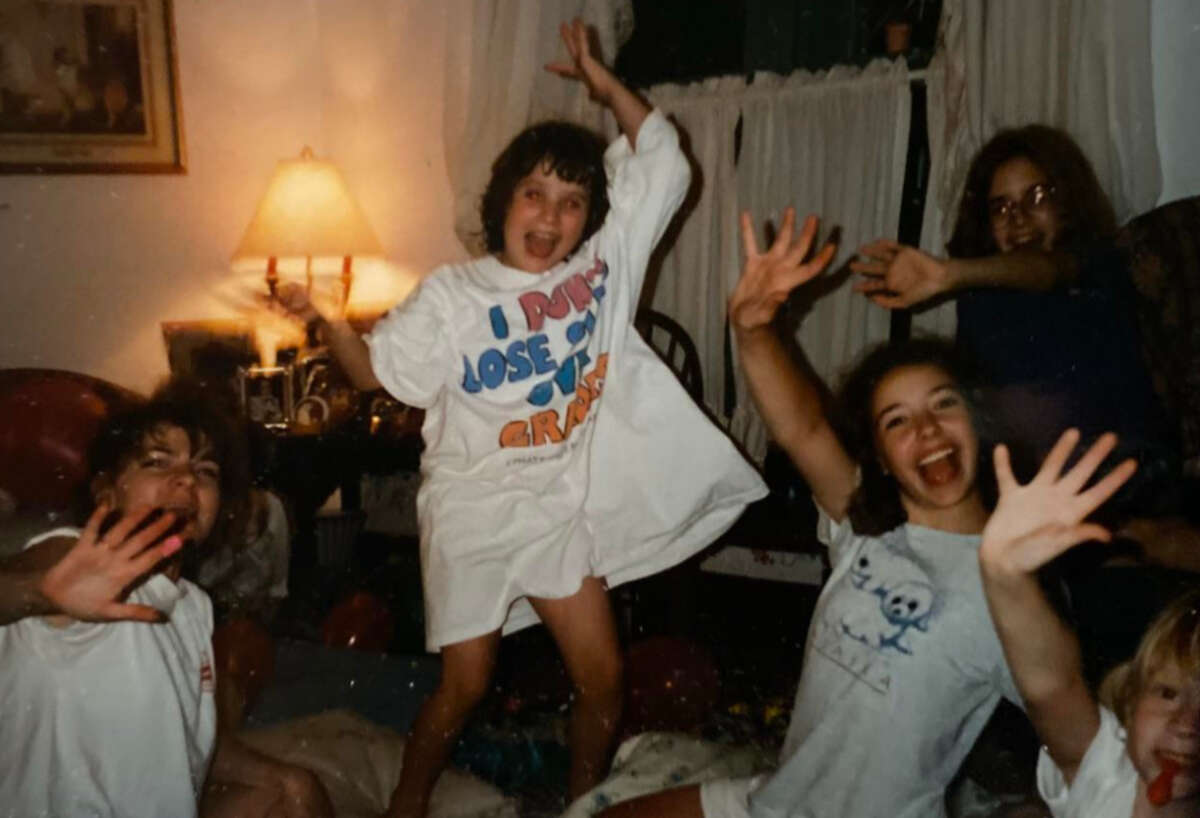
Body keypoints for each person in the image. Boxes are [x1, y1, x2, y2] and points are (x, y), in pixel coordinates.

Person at [271, 19, 765, 818]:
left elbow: (665, 160)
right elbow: (373, 373)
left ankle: (581, 805)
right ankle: (406, 805)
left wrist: (604, 85)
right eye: (534, 193)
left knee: (604, 678)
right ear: (503, 199)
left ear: (589, 218)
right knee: (465, 685)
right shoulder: (452, 294)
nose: (551, 216)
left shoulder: (601, 269)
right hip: (470, 512)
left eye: (572, 202)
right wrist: (328, 318)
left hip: (553, 509)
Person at [600, 206, 1028, 818]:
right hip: (776, 800)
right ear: (881, 459)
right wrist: (751, 329)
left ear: (979, 423)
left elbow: (1083, 734)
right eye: (897, 421)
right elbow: (801, 428)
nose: (927, 431)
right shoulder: (869, 528)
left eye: (943, 404)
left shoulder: (1013, 584)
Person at [0, 379, 333, 818]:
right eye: (157, 463)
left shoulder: (193, 605)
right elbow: (14, 584)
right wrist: (40, 592)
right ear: (107, 492)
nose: (187, 480)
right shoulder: (68, 554)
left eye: (205, 471)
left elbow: (184, 740)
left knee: (293, 791)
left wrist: (287, 780)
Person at [851, 125, 1172, 503]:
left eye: (1037, 197)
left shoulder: (1098, 264)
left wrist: (949, 274)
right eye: (1000, 207)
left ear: (1067, 204)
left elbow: (1050, 269)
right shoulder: (980, 303)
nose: (1018, 218)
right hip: (1029, 490)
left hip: (1129, 478)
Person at [978, 433, 1198, 817]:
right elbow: (1051, 687)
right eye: (1167, 693)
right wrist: (1007, 575)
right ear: (1130, 702)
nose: (1187, 724)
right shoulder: (1106, 778)